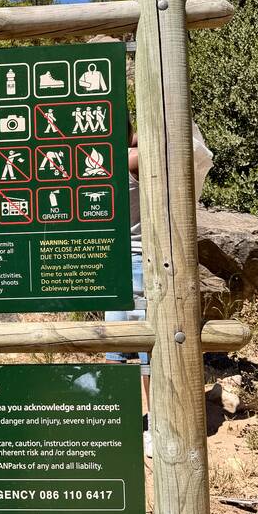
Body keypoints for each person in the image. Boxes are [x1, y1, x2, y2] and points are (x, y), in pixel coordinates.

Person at [105, 121, 152, 457]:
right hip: (137, 261)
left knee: (115, 348)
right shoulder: (131, 159)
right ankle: (153, 424)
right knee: (148, 349)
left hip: (113, 262)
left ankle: (117, 422)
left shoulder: (98, 161)